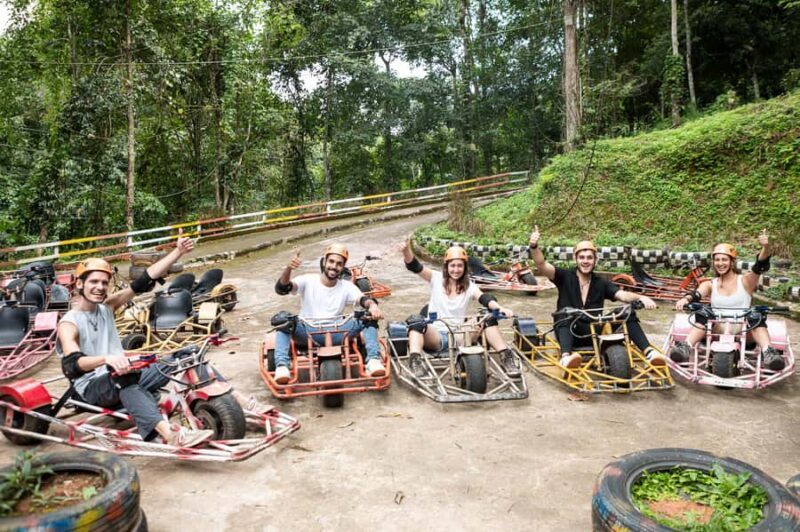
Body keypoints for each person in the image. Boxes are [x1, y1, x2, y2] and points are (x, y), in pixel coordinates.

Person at [57, 236, 265, 449]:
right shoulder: (69, 323)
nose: (100, 287)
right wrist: (107, 359)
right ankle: (171, 435)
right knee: (125, 378)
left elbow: (143, 281)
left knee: (187, 355)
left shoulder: (107, 307)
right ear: (80, 284)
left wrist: (178, 252)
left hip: (124, 372)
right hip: (93, 388)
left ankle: (240, 401)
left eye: (104, 282)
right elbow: (73, 364)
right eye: (93, 282)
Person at [528, 225, 667, 368]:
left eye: (589, 257)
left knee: (627, 312)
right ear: (576, 259)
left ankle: (649, 353)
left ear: (595, 260)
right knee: (563, 314)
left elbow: (622, 295)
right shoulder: (564, 276)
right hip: (569, 331)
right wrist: (534, 246)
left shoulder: (601, 283)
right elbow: (541, 264)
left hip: (594, 329)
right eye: (581, 257)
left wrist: (640, 298)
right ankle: (566, 357)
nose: (585, 261)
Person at [400, 238, 520, 377]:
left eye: (459, 266)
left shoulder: (469, 285)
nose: (456, 270)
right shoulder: (436, 278)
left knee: (487, 318)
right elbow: (415, 266)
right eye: (452, 266)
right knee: (416, 321)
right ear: (446, 266)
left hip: (459, 336)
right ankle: (415, 361)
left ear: (464, 268)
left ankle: (506, 357)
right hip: (436, 337)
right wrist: (406, 250)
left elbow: (485, 298)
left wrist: (499, 308)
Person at [272, 243, 386, 384]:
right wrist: (289, 268)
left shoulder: (346, 286)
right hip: (308, 332)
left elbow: (363, 299)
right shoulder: (307, 280)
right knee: (283, 319)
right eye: (331, 261)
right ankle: (282, 366)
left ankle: (373, 360)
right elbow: (282, 288)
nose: (334, 266)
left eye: (339, 264)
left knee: (367, 316)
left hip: (338, 332)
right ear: (324, 262)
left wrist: (373, 305)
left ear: (342, 267)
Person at [671, 230, 784, 370]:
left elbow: (759, 266)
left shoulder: (745, 281)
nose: (720, 263)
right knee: (703, 312)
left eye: (724, 259)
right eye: (717, 260)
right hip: (716, 329)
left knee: (756, 314)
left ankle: (769, 352)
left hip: (744, 331)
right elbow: (697, 294)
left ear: (732, 262)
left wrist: (766, 248)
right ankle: (685, 346)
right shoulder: (710, 283)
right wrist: (685, 300)